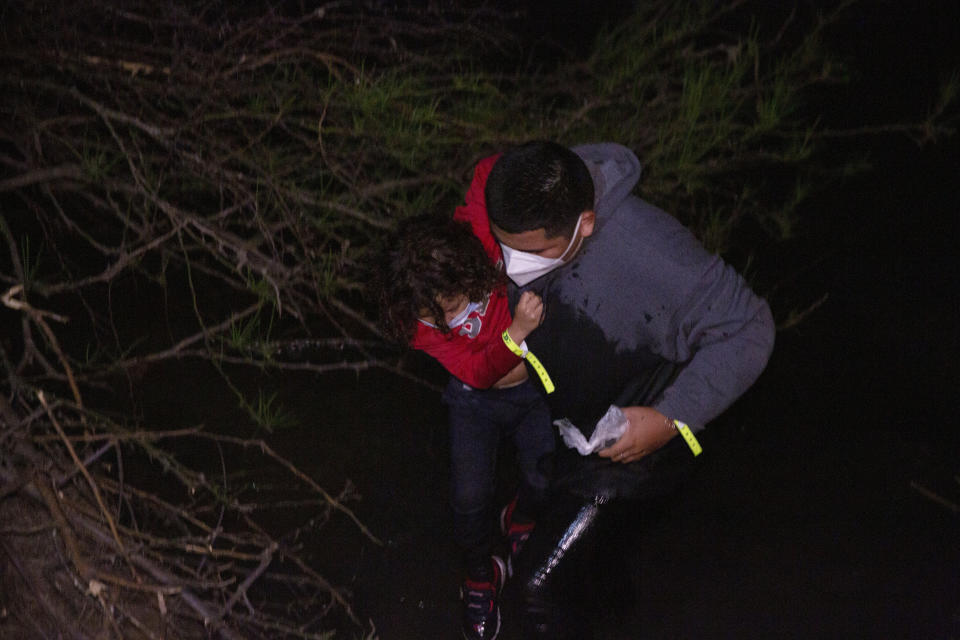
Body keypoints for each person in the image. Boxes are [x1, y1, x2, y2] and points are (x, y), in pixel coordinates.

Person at [453, 141, 776, 637]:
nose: (510, 262)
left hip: (644, 424)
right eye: (504, 244)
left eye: (531, 251)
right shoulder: (513, 201)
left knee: (538, 590)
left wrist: (671, 419)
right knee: (597, 570)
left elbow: (751, 327)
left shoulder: (647, 248)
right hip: (574, 424)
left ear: (584, 224)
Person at [375, 214, 556, 640]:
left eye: (450, 304)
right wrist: (518, 332)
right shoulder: (418, 326)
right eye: (430, 313)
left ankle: (520, 516)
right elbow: (478, 372)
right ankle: (481, 574)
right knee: (469, 499)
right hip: (474, 399)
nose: (445, 319)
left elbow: (489, 176)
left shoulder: (482, 245)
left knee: (544, 475)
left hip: (534, 391)